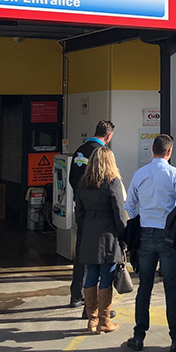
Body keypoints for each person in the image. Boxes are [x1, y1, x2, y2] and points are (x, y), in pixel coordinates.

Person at [124, 134, 176, 352]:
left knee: (144, 288)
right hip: (168, 235)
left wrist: (141, 217)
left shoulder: (140, 174)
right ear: (170, 151)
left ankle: (139, 336)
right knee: (172, 289)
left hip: (145, 234)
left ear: (152, 150)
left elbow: (129, 207)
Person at [75, 146, 127, 334]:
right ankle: (105, 322)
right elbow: (119, 214)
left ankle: (92, 319)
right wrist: (124, 238)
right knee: (106, 275)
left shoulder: (83, 183)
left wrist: (86, 227)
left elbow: (78, 213)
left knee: (90, 275)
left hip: (89, 232)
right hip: (108, 234)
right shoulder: (112, 183)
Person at [68, 120, 115, 310]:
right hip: (99, 215)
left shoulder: (80, 150)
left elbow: (73, 179)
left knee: (81, 253)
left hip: (82, 210)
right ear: (109, 136)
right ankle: (95, 305)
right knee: (99, 260)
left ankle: (76, 295)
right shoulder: (101, 154)